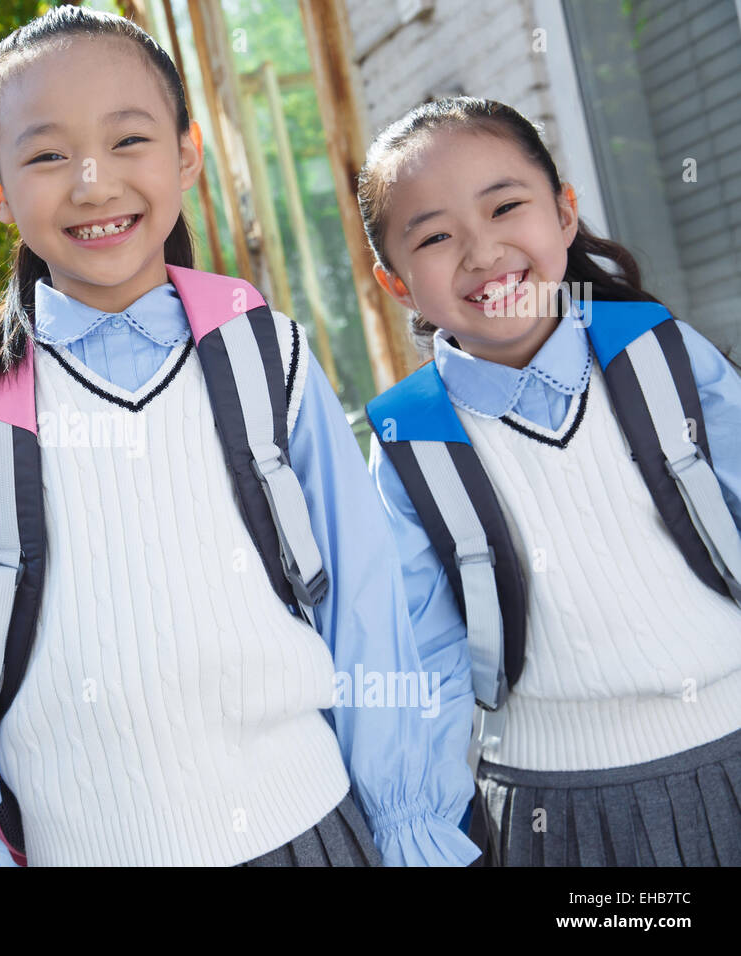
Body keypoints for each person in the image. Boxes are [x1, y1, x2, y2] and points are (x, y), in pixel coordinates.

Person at [0, 6, 478, 867]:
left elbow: (366, 607)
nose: (92, 182)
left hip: (306, 830)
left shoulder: (265, 350)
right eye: (46, 155)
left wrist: (409, 819)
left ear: (187, 153)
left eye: (129, 141)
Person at [361, 96, 741, 866]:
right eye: (434, 236)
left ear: (564, 213)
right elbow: (419, 656)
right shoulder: (410, 436)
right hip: (560, 811)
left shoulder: (658, 352)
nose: (482, 249)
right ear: (395, 283)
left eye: (506, 207)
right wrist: (421, 832)